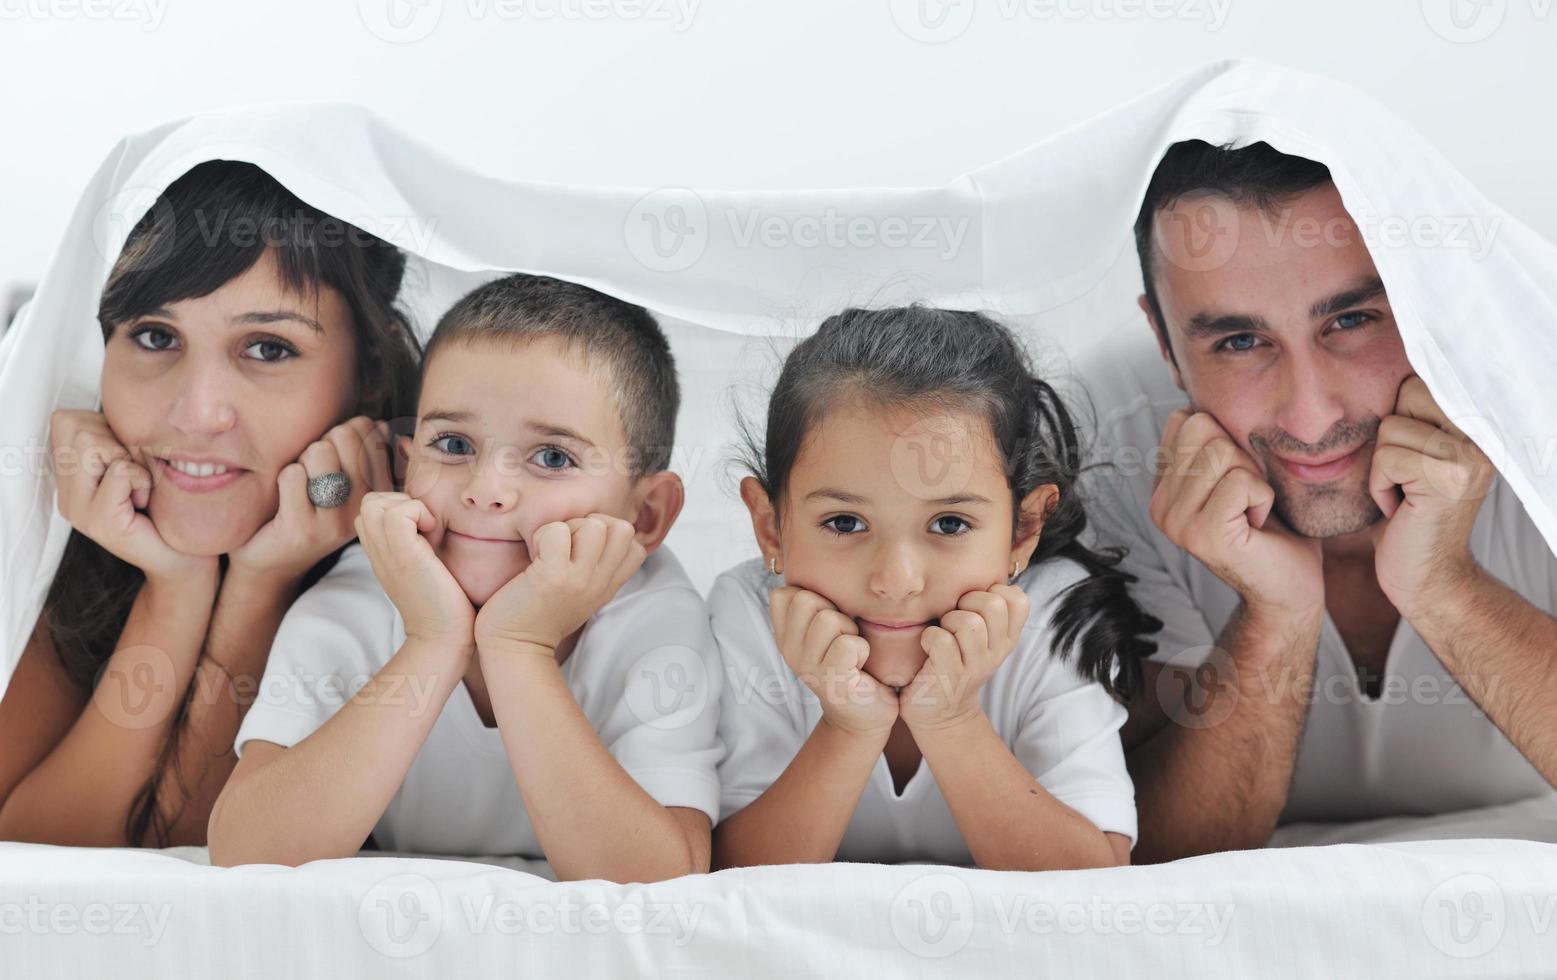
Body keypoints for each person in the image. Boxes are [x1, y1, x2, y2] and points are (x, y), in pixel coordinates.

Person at [1093, 139, 1557, 863]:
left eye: (1350, 321)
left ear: (1430, 300)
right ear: (1162, 340)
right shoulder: (1098, 455)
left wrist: (1442, 586)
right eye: (1240, 341)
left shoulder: (1543, 413)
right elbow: (1150, 862)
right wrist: (1275, 616)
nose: (1309, 419)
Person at [208, 273, 721, 883]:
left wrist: (518, 649)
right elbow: (247, 854)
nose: (485, 491)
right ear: (406, 467)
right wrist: (433, 640)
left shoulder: (656, 622)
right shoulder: (355, 599)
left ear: (645, 515)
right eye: (452, 444)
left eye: (553, 457)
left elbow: (662, 884)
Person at [0, 161, 417, 846]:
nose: (197, 415)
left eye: (267, 348)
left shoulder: (429, 563)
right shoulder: (44, 517)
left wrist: (261, 585)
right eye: (155, 336)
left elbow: (207, 852)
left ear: (369, 374)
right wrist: (174, 590)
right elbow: (39, 849)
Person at [711, 305, 1160, 871]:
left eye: (949, 524)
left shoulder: (1054, 615)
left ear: (1023, 531)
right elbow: (724, 879)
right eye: (845, 523)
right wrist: (849, 728)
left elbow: (1094, 876)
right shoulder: (749, 615)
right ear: (771, 525)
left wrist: (950, 719)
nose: (896, 581)